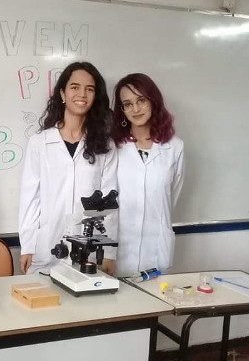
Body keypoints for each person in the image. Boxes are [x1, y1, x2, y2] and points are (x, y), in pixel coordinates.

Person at [18, 62, 118, 275]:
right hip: (45, 248)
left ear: (95, 97)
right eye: (75, 87)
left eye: (89, 89)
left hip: (88, 252)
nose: (82, 94)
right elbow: (30, 198)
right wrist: (27, 246)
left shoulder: (105, 146)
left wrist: (109, 252)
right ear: (62, 94)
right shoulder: (40, 142)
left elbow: (109, 203)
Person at [111, 73, 185, 278]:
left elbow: (171, 196)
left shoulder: (175, 147)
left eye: (141, 100)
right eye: (127, 104)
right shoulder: (113, 147)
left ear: (153, 100)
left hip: (156, 252)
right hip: (118, 252)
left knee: (155, 297)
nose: (135, 109)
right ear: (122, 110)